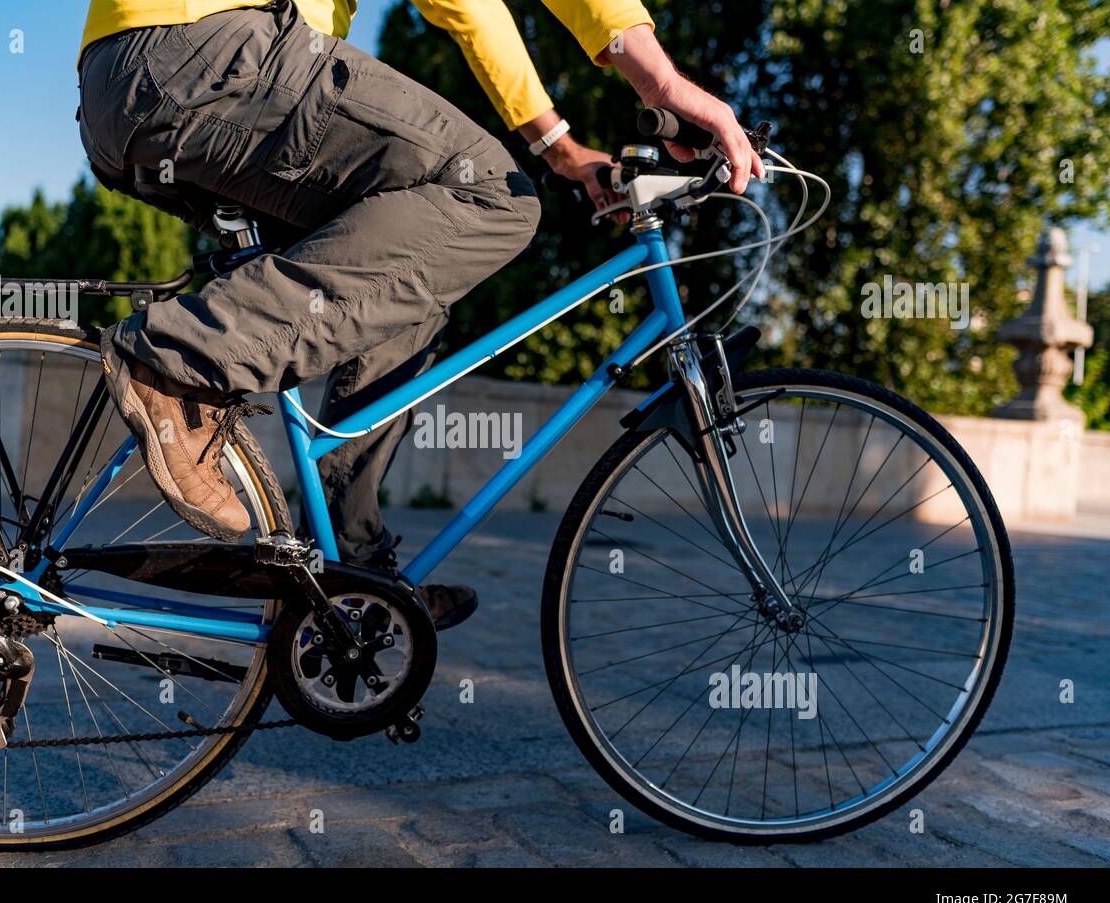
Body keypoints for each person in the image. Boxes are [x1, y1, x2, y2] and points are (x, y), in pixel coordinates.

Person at [77, 0, 761, 628]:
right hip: (203, 50)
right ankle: (178, 362)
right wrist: (657, 86)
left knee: (404, 271)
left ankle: (346, 572)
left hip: (138, 86)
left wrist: (561, 146)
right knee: (492, 194)